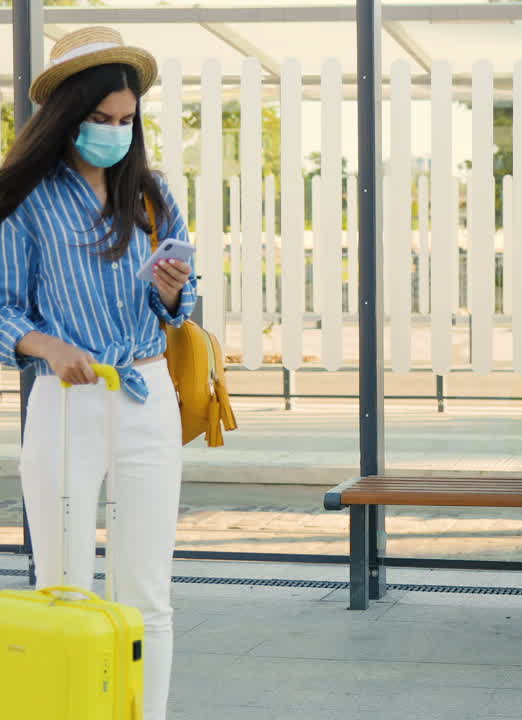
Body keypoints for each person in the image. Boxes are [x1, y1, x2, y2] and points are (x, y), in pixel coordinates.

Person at [0, 27, 195, 718]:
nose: (115, 131)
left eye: (126, 120)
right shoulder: (25, 198)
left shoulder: (151, 193)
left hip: (148, 400)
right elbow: (3, 308)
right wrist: (46, 347)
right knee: (63, 588)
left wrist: (173, 289)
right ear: (66, 116)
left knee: (148, 595)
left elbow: (179, 308)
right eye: (100, 119)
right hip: (65, 403)